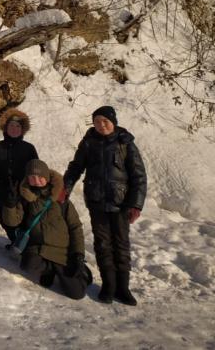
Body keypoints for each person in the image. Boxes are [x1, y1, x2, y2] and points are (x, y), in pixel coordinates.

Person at [63, 106, 147, 305]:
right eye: (97, 122)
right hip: (96, 201)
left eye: (105, 121)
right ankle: (109, 285)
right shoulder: (88, 142)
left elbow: (139, 176)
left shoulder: (125, 143)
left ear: (113, 122)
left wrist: (136, 204)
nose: (101, 125)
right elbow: (76, 166)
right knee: (102, 244)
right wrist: (65, 187)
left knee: (121, 244)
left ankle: (123, 288)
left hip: (121, 204)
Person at [2, 160, 90, 300]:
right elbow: (12, 222)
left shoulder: (61, 200)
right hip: (38, 248)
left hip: (62, 251)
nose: (36, 181)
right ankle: (49, 270)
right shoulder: (25, 199)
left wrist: (78, 254)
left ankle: (79, 271)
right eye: (32, 177)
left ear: (47, 177)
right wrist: (10, 205)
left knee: (77, 293)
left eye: (40, 177)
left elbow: (75, 227)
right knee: (28, 264)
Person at [0, 109, 39, 244]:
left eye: (18, 126)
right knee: (6, 220)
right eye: (11, 125)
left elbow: (36, 170)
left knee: (24, 220)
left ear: (22, 129)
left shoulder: (29, 148)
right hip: (2, 191)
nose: (14, 129)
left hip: (23, 192)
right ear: (5, 128)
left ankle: (24, 244)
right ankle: (14, 241)